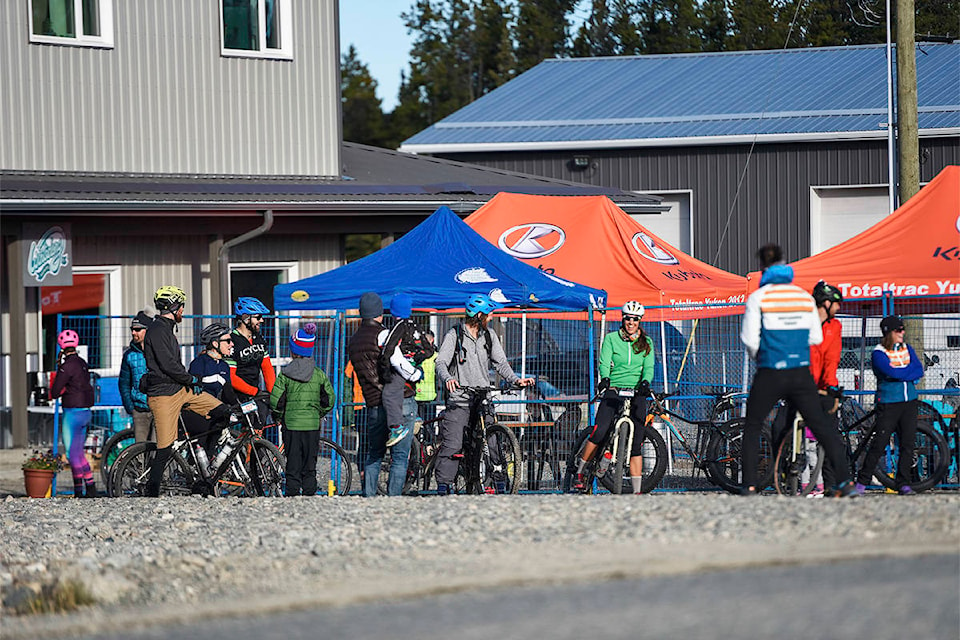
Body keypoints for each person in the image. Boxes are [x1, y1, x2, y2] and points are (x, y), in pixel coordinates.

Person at [740, 244, 858, 498]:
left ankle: (749, 485)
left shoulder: (759, 297)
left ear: (762, 267)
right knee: (823, 428)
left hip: (771, 369)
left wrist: (764, 358)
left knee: (753, 426)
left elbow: (750, 339)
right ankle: (846, 482)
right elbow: (815, 338)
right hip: (801, 373)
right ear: (785, 263)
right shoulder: (804, 297)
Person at [434, 293, 534, 495]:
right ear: (479, 315)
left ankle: (498, 482)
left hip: (483, 396)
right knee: (453, 443)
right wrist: (448, 379)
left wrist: (515, 380)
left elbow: (501, 363)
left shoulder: (489, 336)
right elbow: (440, 362)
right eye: (489, 314)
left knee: (493, 441)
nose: (491, 317)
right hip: (460, 398)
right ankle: (444, 485)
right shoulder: (454, 335)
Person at [141, 286, 233, 497]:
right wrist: (190, 378)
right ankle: (151, 492)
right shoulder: (157, 330)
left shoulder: (167, 328)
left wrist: (188, 382)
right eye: (181, 306)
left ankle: (204, 462)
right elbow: (167, 364)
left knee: (223, 411)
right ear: (173, 307)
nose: (183, 310)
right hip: (163, 394)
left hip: (181, 389)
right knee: (165, 448)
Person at [574, 300, 654, 495]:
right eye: (628, 318)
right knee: (600, 431)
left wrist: (645, 382)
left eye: (635, 319)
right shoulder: (611, 339)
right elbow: (604, 362)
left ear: (639, 321)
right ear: (623, 319)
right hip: (615, 388)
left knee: (637, 442)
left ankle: (637, 491)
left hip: (636, 391)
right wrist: (606, 380)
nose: (631, 322)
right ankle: (580, 471)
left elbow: (649, 367)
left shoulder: (647, 342)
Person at [856, 315, 924, 495]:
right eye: (899, 330)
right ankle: (861, 482)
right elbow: (890, 372)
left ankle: (903, 483)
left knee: (908, 444)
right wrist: (907, 373)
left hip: (909, 401)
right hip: (889, 403)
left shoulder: (907, 348)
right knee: (880, 443)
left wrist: (903, 373)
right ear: (889, 333)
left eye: (903, 329)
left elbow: (919, 369)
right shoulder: (878, 352)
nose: (903, 332)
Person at [270, 323, 335, 496]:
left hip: (291, 425)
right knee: (309, 465)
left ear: (293, 351)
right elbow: (329, 400)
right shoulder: (319, 374)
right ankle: (309, 496)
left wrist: (279, 416)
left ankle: (291, 496)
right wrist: (318, 413)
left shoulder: (284, 374)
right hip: (312, 426)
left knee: (293, 465)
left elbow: (276, 402)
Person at [347, 292, 395, 497]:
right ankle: (390, 489)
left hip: (363, 402)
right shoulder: (382, 336)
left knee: (368, 448)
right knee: (392, 449)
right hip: (379, 400)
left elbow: (348, 374)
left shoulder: (355, 343)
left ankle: (366, 484)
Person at [378, 293, 435, 448]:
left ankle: (396, 427)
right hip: (413, 369)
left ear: (393, 310)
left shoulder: (399, 325)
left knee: (389, 394)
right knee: (408, 394)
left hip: (400, 369)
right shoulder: (416, 326)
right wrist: (416, 359)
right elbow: (429, 350)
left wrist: (384, 368)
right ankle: (415, 417)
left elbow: (389, 346)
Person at [804, 281, 845, 493]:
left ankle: (830, 484)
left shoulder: (835, 326)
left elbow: (832, 359)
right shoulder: (804, 322)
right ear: (826, 303)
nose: (839, 308)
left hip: (823, 386)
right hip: (802, 385)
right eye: (836, 303)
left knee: (829, 437)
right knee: (784, 428)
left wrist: (830, 385)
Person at [50, 329, 97, 498]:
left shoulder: (66, 366)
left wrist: (62, 389)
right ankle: (90, 486)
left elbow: (55, 392)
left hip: (72, 413)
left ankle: (79, 490)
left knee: (71, 454)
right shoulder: (83, 363)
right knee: (78, 453)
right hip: (86, 411)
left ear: (61, 347)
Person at [184, 323, 238, 464]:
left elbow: (228, 393)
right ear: (215, 343)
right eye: (227, 341)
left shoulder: (224, 366)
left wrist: (243, 406)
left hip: (215, 412)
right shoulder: (199, 363)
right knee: (204, 441)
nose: (231, 344)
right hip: (197, 412)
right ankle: (193, 467)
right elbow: (193, 392)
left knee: (217, 430)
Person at [226, 296, 276, 425]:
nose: (262, 320)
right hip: (237, 394)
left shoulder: (258, 338)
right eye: (258, 317)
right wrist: (254, 392)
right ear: (245, 318)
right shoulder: (232, 341)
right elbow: (231, 377)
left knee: (259, 425)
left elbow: (267, 369)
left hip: (255, 392)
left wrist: (273, 394)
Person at [118, 311, 155, 443]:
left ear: (147, 330)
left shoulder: (158, 351)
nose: (134, 332)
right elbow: (124, 383)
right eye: (132, 329)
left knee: (157, 450)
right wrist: (130, 407)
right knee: (139, 451)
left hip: (158, 407)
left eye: (138, 329)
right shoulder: (129, 355)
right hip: (139, 410)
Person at [415, 329, 438, 420]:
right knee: (429, 424)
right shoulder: (436, 356)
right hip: (430, 396)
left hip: (417, 395)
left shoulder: (416, 355)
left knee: (415, 426)